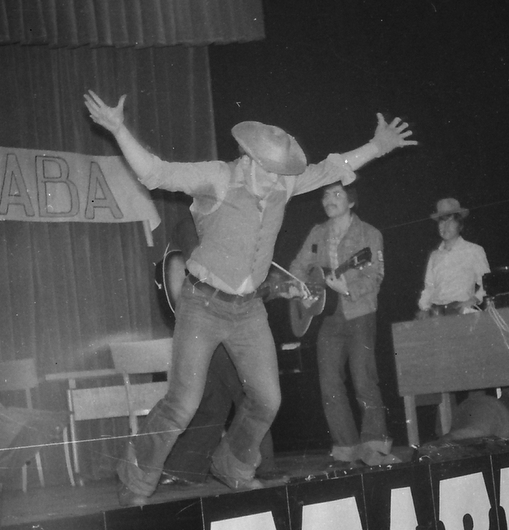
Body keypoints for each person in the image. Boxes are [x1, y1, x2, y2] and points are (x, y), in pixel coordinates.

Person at [83, 89, 416, 504]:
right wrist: (118, 130)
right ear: (249, 159)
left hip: (248, 312)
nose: (278, 184)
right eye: (271, 173)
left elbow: (333, 167)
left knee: (267, 400)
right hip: (202, 305)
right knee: (182, 403)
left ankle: (232, 465)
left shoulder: (282, 182)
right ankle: (136, 478)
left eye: (282, 175)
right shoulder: (218, 178)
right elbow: (155, 173)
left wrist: (378, 146)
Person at [157, 213, 277, 485]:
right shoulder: (192, 225)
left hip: (221, 322)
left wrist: (270, 288)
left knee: (220, 397)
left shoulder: (223, 229)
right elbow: (206, 271)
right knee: (245, 393)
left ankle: (185, 467)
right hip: (208, 318)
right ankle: (258, 466)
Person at [289, 182, 397, 467]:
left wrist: (347, 288)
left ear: (351, 201)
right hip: (327, 317)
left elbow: (375, 276)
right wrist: (300, 287)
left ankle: (375, 446)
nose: (329, 199)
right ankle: (345, 449)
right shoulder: (317, 233)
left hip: (360, 312)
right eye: (326, 194)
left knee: (364, 379)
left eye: (337, 194)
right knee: (329, 384)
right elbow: (299, 266)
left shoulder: (369, 234)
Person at [417, 197, 490, 318]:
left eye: (450, 222)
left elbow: (487, 284)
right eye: (442, 222)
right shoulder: (435, 256)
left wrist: (473, 300)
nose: (445, 226)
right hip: (436, 312)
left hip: (461, 311)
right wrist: (424, 308)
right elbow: (429, 287)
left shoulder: (474, 250)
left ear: (460, 225)